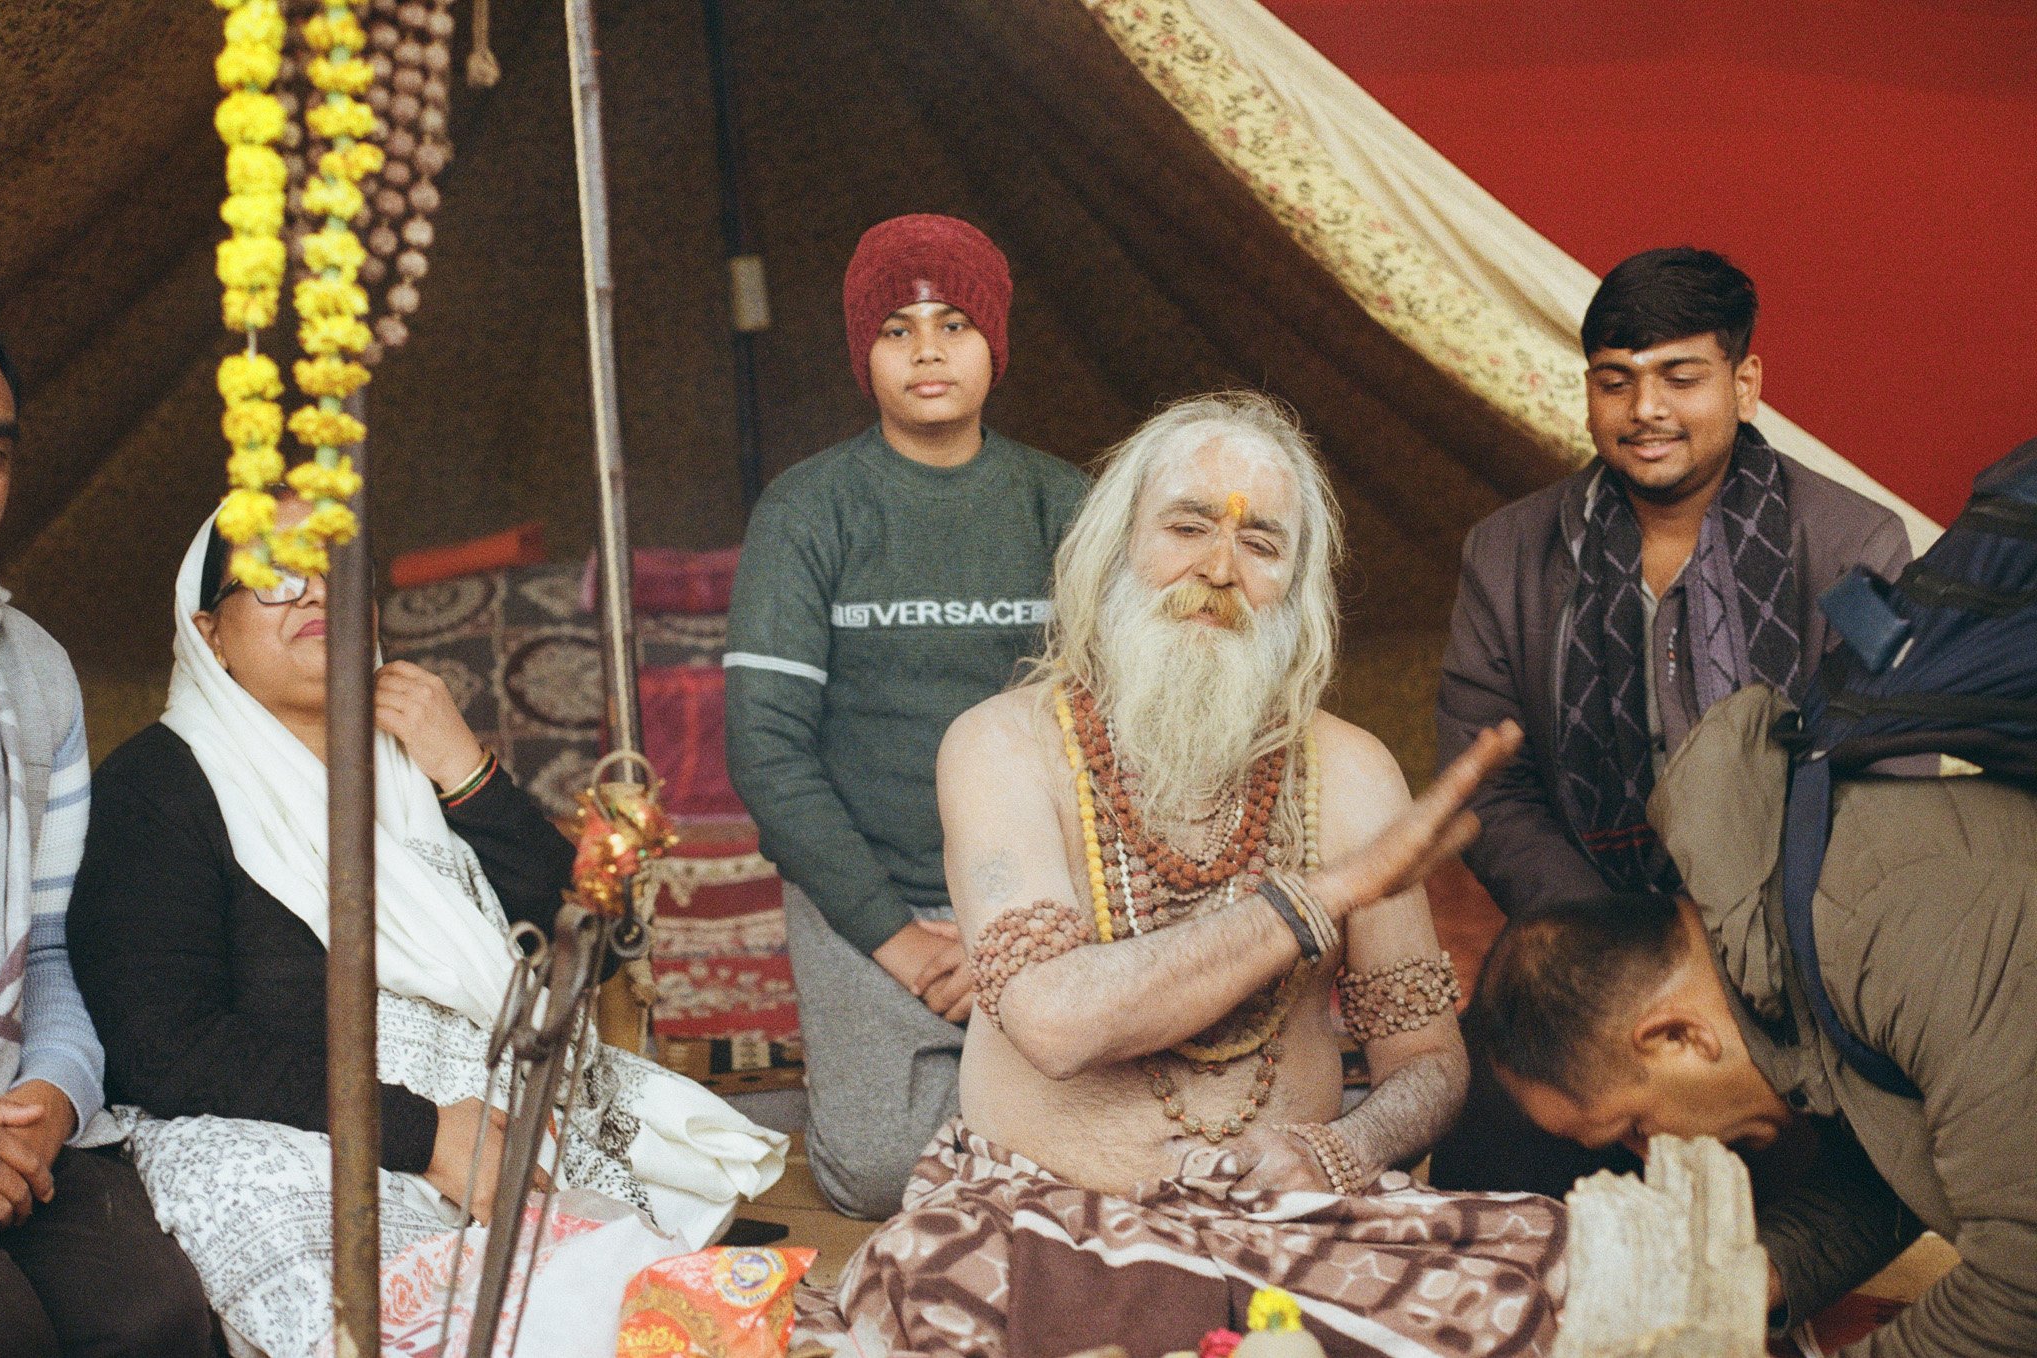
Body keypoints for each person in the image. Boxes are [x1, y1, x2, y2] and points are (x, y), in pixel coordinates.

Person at [798, 394, 1565, 1357]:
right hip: (1041, 1226)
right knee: (942, 1284)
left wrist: (1341, 1149)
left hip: (1296, 1232)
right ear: (1117, 548)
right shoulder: (1003, 746)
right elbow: (1055, 1021)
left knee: (1547, 1269)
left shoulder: (1351, 770)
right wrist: (1320, 896)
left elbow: (1427, 1061)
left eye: (1261, 546)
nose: (1217, 571)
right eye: (1189, 527)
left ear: (1300, 585)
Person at [67, 499, 786, 1358]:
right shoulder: (156, 786)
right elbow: (162, 1042)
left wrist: (466, 769)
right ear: (208, 631)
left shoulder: (413, 760)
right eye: (275, 576)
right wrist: (422, 1133)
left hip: (497, 1126)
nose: (315, 595)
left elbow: (590, 947)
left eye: (339, 571)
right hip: (293, 1135)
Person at [1430, 247, 1911, 1195]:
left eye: (1679, 378)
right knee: (1490, 1201)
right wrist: (1610, 946)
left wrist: (1744, 958)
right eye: (1616, 382)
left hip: (1791, 974)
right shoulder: (1511, 551)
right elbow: (1492, 778)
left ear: (1745, 383)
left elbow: (1884, 785)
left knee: (1761, 1256)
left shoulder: (1855, 543)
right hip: (1579, 947)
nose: (1645, 409)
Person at [1466, 683, 2036, 1358]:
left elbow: (2020, 1281)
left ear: (1677, 1035)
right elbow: (1898, 1166)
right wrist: (1741, 1283)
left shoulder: (1893, 929)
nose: (1656, 1159)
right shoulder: (1781, 928)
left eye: (1636, 1129)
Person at [724, 213, 1086, 1218]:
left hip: (1040, 896)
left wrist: (1021, 930)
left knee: (1112, 1128)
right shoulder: (808, 511)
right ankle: (974, 1099)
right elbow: (764, 745)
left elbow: (1118, 732)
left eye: (954, 321)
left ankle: (991, 1095)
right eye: (896, 327)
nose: (927, 348)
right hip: (864, 894)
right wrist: (895, 934)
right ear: (862, 353)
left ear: (994, 345)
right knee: (879, 1174)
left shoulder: (1066, 505)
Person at [0, 331, 219, 1356]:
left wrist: (50, 1095)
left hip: (8, 1128)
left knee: (156, 1316)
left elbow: (49, 953)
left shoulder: (33, 670)